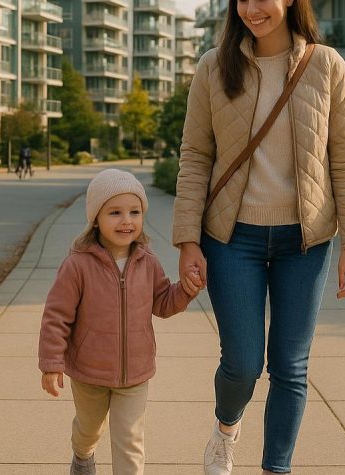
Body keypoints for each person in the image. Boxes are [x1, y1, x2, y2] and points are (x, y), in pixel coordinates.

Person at [172, 0, 345, 475]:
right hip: (231, 237)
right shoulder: (215, 68)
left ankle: (275, 468)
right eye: (241, 0)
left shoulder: (326, 66)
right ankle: (225, 428)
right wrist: (187, 240)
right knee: (241, 362)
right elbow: (195, 157)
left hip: (304, 240)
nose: (252, 9)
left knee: (291, 367)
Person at [39, 168, 204, 475]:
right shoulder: (78, 264)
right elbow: (57, 315)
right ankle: (82, 454)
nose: (126, 221)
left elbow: (163, 302)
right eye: (115, 212)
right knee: (89, 429)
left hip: (136, 372)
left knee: (130, 440)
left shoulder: (148, 261)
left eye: (134, 212)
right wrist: (51, 362)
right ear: (96, 219)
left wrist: (185, 291)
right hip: (89, 371)